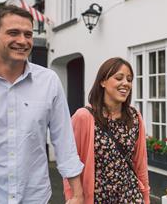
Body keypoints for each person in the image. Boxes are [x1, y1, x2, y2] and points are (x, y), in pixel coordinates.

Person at [0, 5, 84, 204]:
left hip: (35, 197)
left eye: (28, 34)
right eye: (13, 33)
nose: (22, 41)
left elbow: (64, 141)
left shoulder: (49, 81)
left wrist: (78, 193)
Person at [63, 57, 150, 203]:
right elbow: (69, 162)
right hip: (98, 198)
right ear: (103, 82)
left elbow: (140, 163)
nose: (126, 83)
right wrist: (73, 197)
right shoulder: (84, 117)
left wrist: (146, 197)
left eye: (129, 79)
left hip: (131, 197)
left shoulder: (134, 117)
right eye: (119, 78)